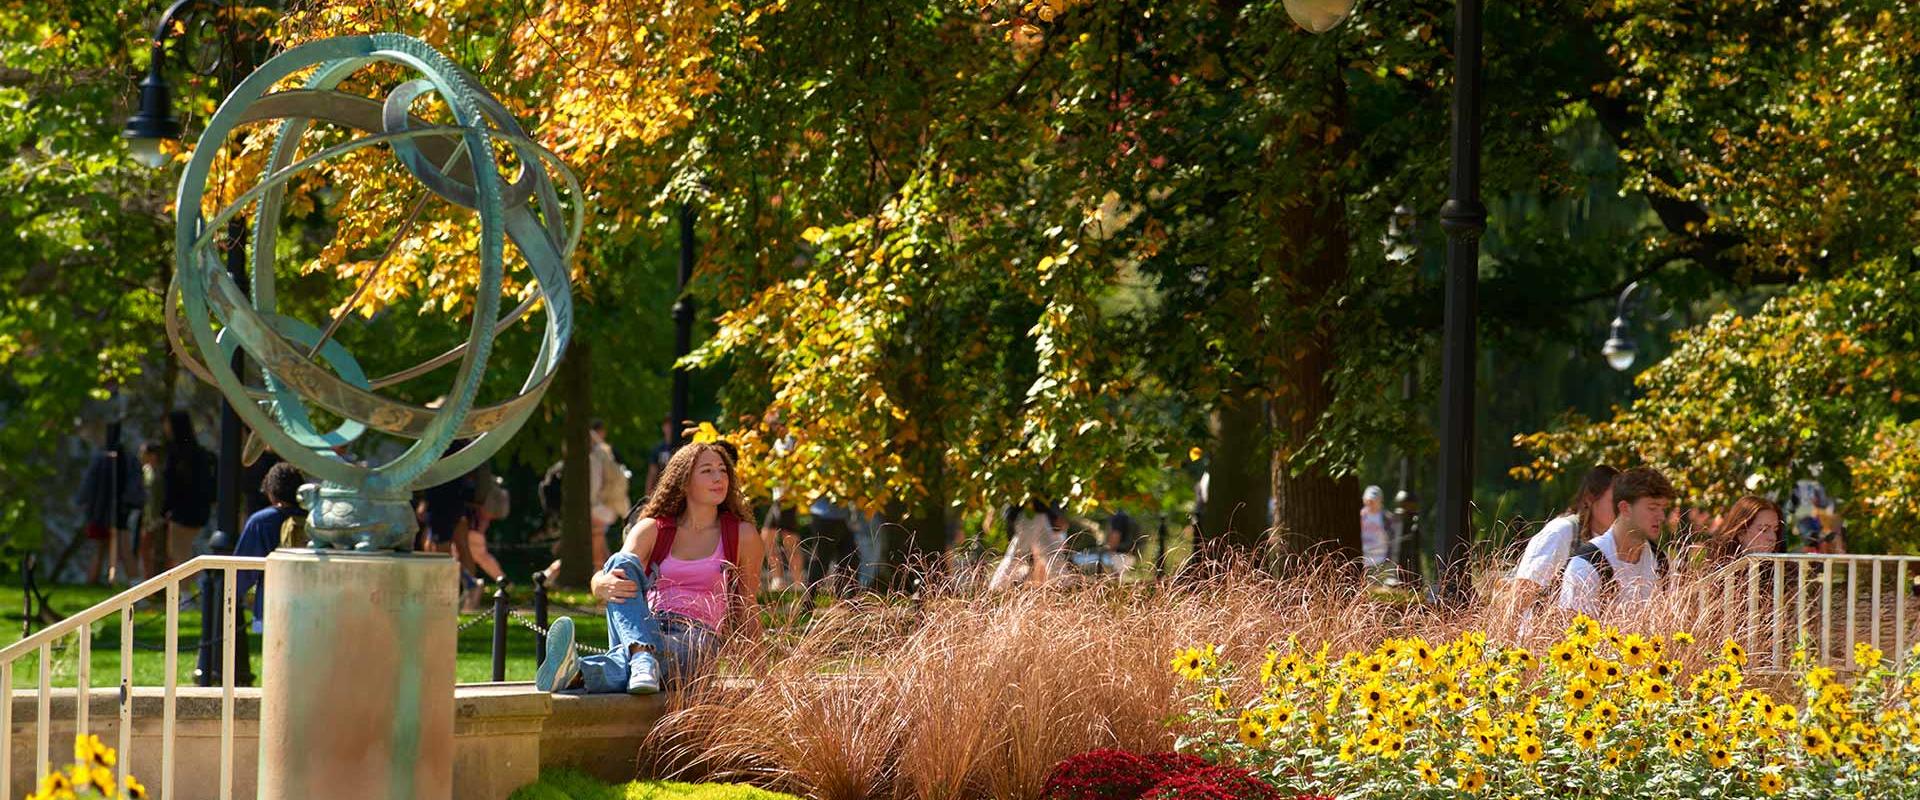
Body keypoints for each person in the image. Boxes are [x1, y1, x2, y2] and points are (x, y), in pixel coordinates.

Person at [536, 442, 764, 694]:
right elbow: (609, 575)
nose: (719, 477)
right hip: (647, 623)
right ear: (684, 481)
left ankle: (581, 672)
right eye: (707, 470)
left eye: (723, 470)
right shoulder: (653, 529)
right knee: (619, 562)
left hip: (698, 639)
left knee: (644, 657)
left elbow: (746, 605)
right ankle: (641, 658)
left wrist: (763, 673)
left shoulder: (741, 535)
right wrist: (599, 584)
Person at [1557, 467, 1678, 616]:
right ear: (1625, 508)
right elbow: (1573, 634)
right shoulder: (1586, 565)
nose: (1661, 517)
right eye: (1652, 508)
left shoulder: (1661, 561)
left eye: (1663, 508)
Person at [1508, 465, 1619, 605]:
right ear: (1590, 499)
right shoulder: (1562, 532)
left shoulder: (1614, 543)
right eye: (1614, 501)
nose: (1620, 508)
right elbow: (1521, 594)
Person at [235, 462, 305, 633]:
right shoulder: (315, 517)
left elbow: (244, 570)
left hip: (271, 602)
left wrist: (229, 594)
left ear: (272, 492)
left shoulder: (262, 521)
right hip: (310, 600)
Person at [74, 426, 143, 585]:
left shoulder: (121, 459)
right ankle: (93, 581)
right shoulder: (113, 459)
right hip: (105, 510)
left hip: (111, 511)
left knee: (119, 548)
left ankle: (134, 583)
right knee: (105, 548)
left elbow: (89, 484)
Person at [159, 410, 214, 571]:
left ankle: (183, 592)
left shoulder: (175, 455)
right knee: (188, 552)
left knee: (178, 553)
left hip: (181, 511)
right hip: (199, 510)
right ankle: (187, 590)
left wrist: (165, 510)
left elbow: (171, 485)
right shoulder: (201, 454)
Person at [988, 496, 1068, 590]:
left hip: (1036, 514)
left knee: (1049, 555)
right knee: (1019, 556)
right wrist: (1057, 514)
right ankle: (997, 588)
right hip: (1030, 514)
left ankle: (997, 587)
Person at [1706, 495, 1785, 561]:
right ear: (1741, 533)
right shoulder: (1717, 574)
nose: (1773, 538)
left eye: (1775, 530)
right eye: (1763, 530)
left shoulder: (1784, 573)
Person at [138, 441, 167, 580]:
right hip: (147, 518)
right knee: (145, 550)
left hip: (158, 519)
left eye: (144, 453)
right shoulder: (146, 471)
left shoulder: (160, 473)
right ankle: (147, 581)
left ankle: (159, 584)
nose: (141, 456)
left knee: (159, 552)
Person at [1359, 486, 1400, 572]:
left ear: (1380, 500)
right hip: (1362, 562)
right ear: (1364, 500)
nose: (1371, 503)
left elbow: (1394, 542)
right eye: (1368, 500)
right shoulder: (1360, 517)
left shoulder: (1387, 519)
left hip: (1381, 563)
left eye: (1374, 500)